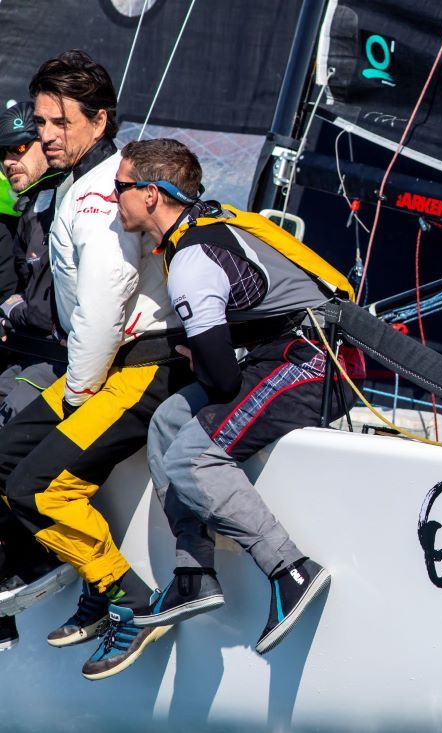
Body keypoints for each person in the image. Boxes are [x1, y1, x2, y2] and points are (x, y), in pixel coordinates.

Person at [115, 138, 356, 666]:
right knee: (168, 423)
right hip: (282, 354)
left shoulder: (192, 260)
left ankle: (291, 570)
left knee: (192, 458)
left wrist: (199, 355)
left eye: (121, 187)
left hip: (317, 363)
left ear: (151, 195)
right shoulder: (201, 227)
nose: (115, 198)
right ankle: (193, 573)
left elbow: (222, 381)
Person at [0, 51, 189, 680]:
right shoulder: (79, 182)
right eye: (41, 122)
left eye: (61, 122)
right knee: (4, 458)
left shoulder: (99, 197)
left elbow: (104, 306)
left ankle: (129, 599)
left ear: (99, 121)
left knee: (36, 485)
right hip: (104, 365)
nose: (47, 135)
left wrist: (77, 395)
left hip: (138, 368)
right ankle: (79, 579)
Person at [0, 101, 66, 425]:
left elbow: (39, 311)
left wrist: (11, 310)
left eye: (20, 148)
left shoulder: (68, 197)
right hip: (34, 349)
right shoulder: (33, 207)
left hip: (68, 360)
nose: (9, 161)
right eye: (3, 153)